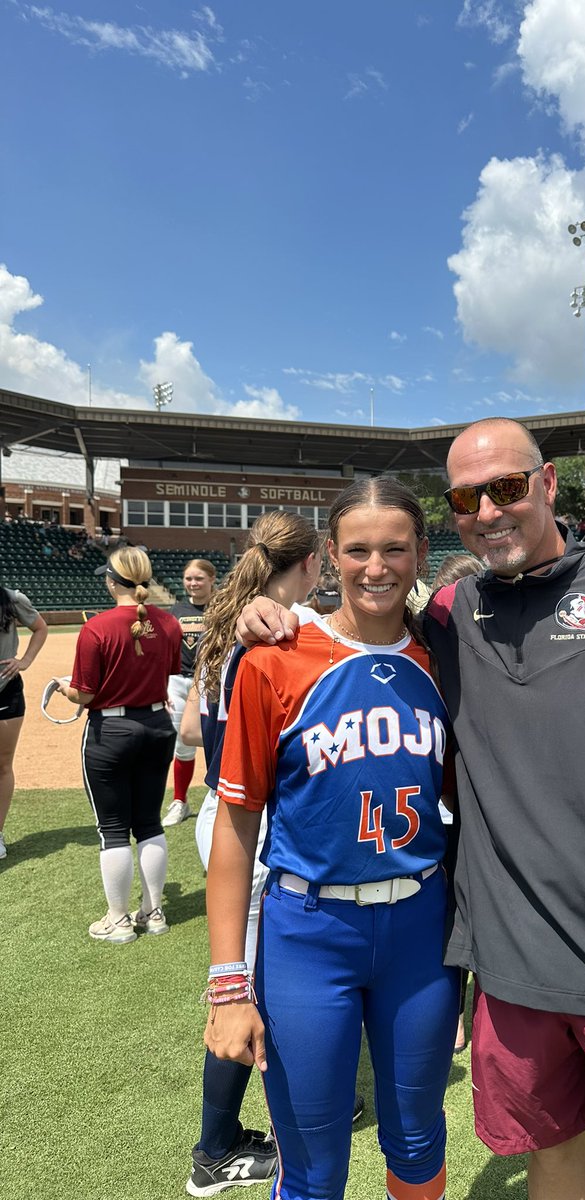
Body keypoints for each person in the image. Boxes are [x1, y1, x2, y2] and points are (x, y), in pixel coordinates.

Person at [238, 419, 585, 1200]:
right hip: (513, 973)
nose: (489, 510)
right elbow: (365, 641)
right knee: (553, 1157)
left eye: (508, 487)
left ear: (548, 485)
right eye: (466, 497)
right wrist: (285, 619)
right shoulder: (450, 618)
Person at [206, 478, 459, 1200]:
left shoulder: (446, 659)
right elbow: (236, 823)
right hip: (309, 931)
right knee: (315, 1164)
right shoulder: (274, 656)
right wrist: (228, 984)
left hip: (420, 927)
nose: (375, 567)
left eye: (394, 549)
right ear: (329, 555)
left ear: (420, 554)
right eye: (357, 550)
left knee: (417, 1137)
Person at [181, 513, 323, 1195]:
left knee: (262, 979)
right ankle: (215, 1148)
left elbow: (188, 728)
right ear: (314, 564)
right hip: (253, 824)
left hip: (222, 811)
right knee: (248, 989)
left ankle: (299, 1095)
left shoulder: (227, 624)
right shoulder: (277, 631)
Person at [54, 547, 182, 943]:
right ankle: (154, 912)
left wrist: (63, 688)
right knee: (148, 822)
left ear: (112, 581)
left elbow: (86, 696)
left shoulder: (98, 628)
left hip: (112, 731)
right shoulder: (169, 623)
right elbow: (167, 673)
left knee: (112, 830)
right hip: (158, 725)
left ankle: (118, 920)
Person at [429, 551, 481, 1056]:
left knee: (455, 919)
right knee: (449, 919)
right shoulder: (426, 651)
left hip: (464, 810)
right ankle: (458, 1018)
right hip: (449, 810)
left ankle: (461, 1019)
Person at [163, 558, 217, 827]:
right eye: (188, 579)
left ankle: (220, 793)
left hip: (210, 681)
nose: (193, 583)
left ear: (211, 580)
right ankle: (180, 800)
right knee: (182, 746)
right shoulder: (176, 610)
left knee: (216, 739)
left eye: (199, 579)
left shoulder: (222, 607)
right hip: (178, 681)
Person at [0, 583, 48, 860]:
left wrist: (25, 660)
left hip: (6, 690)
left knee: (2, 764)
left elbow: (40, 627)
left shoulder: (12, 598)